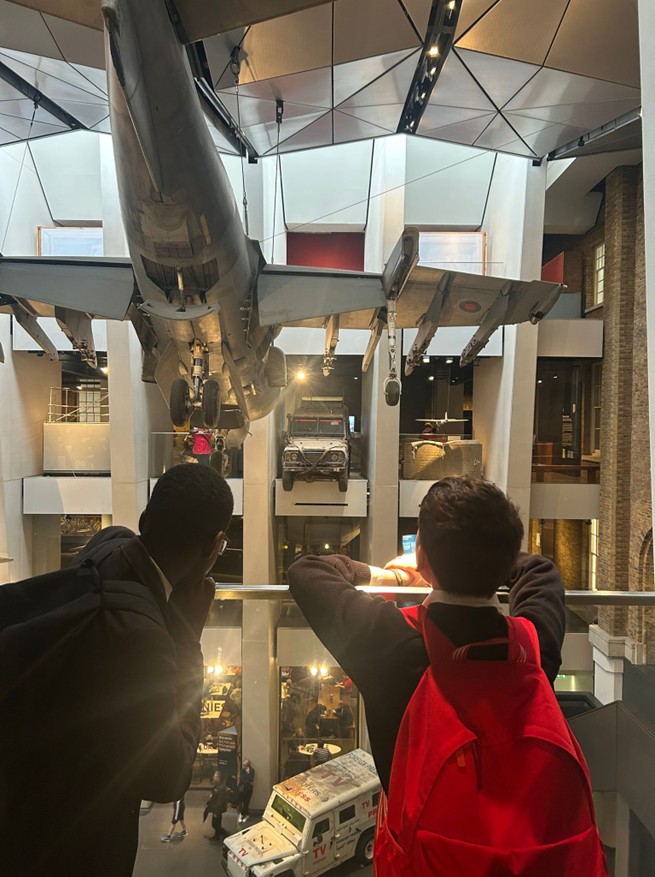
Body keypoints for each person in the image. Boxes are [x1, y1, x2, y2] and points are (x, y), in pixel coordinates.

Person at [288, 477, 606, 874]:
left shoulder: (389, 648)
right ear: (505, 559)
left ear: (421, 555)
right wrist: (488, 553)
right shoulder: (533, 646)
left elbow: (307, 572)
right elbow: (540, 570)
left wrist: (395, 576)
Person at [1, 463, 233, 877]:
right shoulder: (144, 641)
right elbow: (168, 778)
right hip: (68, 842)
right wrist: (189, 639)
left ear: (145, 519)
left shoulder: (111, 543)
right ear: (215, 545)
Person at [204, 771, 229, 839]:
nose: (213, 778)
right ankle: (217, 836)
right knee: (216, 824)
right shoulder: (218, 785)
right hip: (216, 808)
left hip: (218, 809)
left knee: (215, 824)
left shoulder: (220, 787)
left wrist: (216, 812)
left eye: (215, 777)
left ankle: (225, 834)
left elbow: (220, 801)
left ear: (218, 778)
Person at [236, 758, 256, 823]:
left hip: (249, 789)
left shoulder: (252, 771)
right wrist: (248, 781)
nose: (243, 766)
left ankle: (244, 815)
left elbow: (251, 778)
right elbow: (242, 779)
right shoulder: (242, 771)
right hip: (242, 789)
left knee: (246, 802)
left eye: (245, 764)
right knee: (241, 801)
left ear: (248, 765)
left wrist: (247, 779)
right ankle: (244, 814)